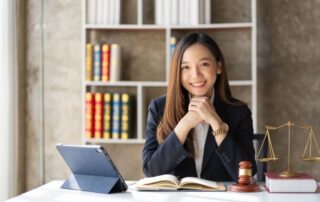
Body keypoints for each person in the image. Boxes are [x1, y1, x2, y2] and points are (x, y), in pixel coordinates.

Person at [142, 32, 257, 182]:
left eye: (204, 64)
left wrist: (216, 123)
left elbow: (246, 176)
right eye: (185, 67)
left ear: (218, 67)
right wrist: (185, 124)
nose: (195, 75)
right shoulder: (159, 108)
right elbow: (151, 171)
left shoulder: (239, 112)